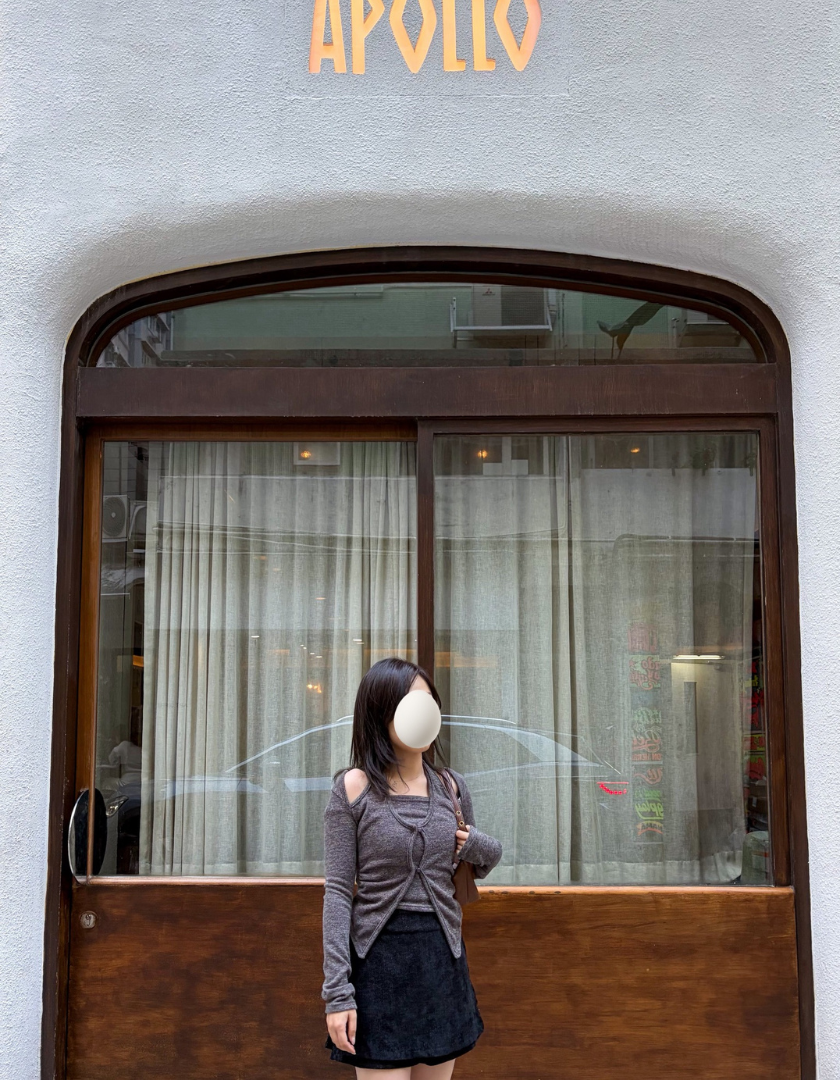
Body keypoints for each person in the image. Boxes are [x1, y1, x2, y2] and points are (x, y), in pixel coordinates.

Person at [322, 657, 503, 1078]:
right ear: (381, 712)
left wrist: (476, 843)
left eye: (427, 703)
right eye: (410, 704)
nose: (422, 714)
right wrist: (338, 993)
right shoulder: (352, 788)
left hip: (441, 961)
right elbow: (337, 893)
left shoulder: (451, 786)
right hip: (377, 964)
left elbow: (477, 863)